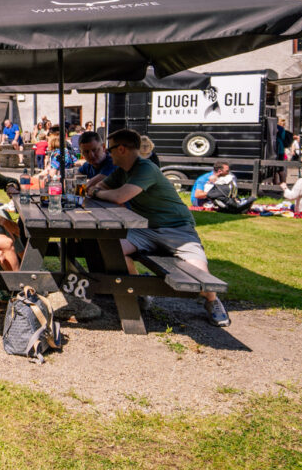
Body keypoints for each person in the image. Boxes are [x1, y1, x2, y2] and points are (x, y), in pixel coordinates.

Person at [87, 128, 230, 327]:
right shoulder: (123, 172)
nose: (108, 154)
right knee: (111, 250)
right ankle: (139, 291)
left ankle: (213, 301)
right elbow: (101, 188)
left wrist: (97, 194)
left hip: (179, 231)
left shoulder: (146, 168)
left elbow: (118, 196)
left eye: (109, 150)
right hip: (145, 229)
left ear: (120, 149)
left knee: (201, 279)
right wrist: (98, 191)